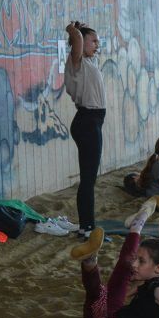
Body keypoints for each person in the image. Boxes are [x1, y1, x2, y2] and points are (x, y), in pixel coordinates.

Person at [64, 21, 106, 238]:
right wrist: (73, 31)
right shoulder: (75, 62)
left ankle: (87, 225)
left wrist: (82, 30)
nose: (97, 44)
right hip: (87, 122)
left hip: (93, 122)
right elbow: (78, 41)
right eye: (94, 41)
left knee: (90, 178)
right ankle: (87, 228)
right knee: (88, 179)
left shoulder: (89, 63)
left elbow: (83, 40)